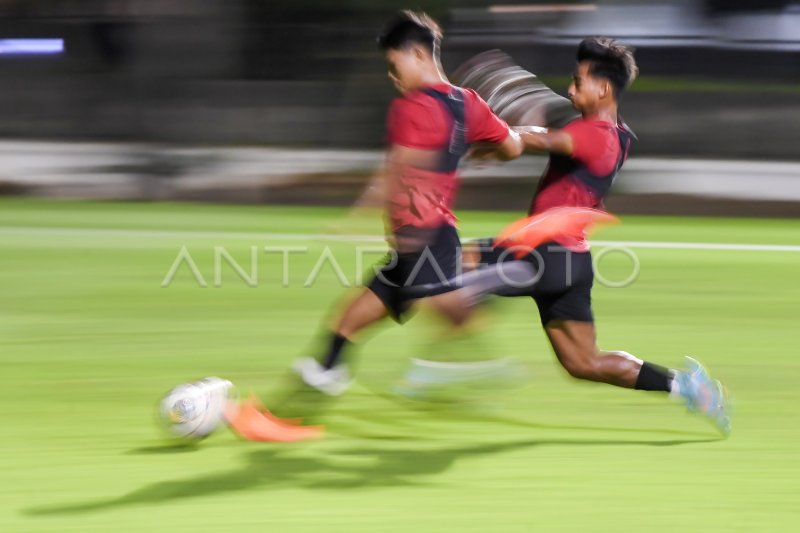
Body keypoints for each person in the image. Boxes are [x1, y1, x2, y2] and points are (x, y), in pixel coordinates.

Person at [398, 37, 731, 435]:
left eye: (578, 81)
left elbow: (542, 137)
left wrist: (492, 133)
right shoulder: (619, 135)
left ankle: (464, 372)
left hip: (541, 254)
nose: (570, 89)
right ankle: (688, 388)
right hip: (571, 263)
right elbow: (549, 137)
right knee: (583, 363)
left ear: (603, 88)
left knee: (444, 274)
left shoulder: (595, 134)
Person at [291, 10, 524, 395]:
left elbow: (395, 171)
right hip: (420, 239)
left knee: (451, 311)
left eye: (393, 62)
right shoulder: (469, 104)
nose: (391, 74)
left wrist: (356, 219)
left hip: (423, 236)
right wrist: (487, 151)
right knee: (350, 317)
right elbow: (513, 146)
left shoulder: (413, 107)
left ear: (417, 54)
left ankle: (473, 361)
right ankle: (322, 377)